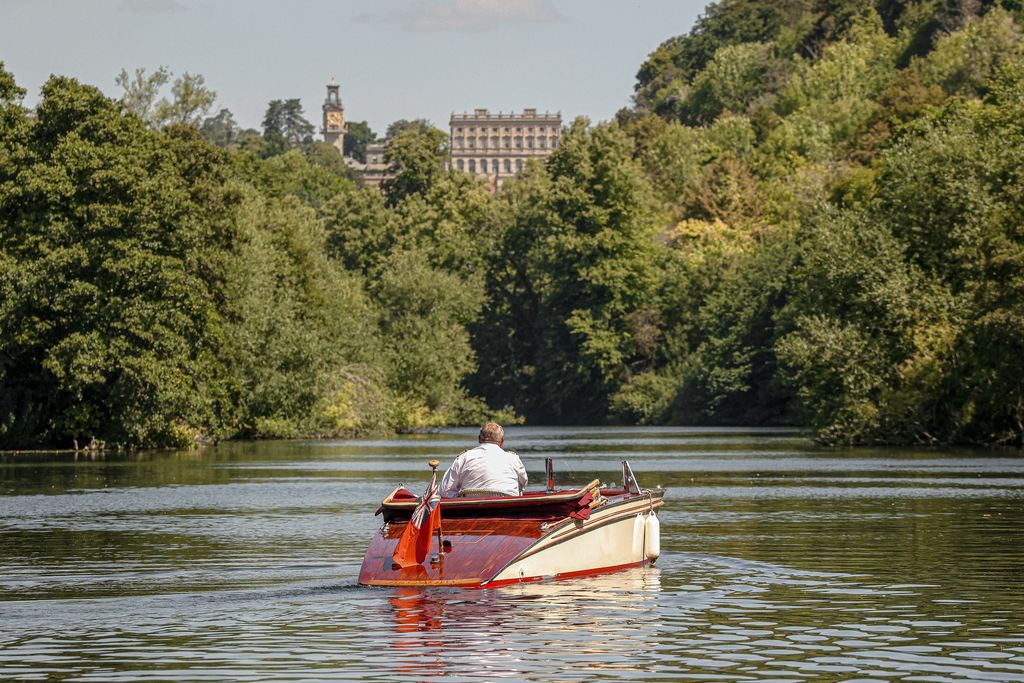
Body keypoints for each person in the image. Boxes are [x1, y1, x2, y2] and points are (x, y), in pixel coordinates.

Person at [439, 422, 527, 498]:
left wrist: (459, 498)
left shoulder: (464, 457)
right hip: (508, 508)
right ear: (502, 441)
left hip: (469, 509)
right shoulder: (513, 458)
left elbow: (445, 491)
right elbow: (523, 484)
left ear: (479, 439)